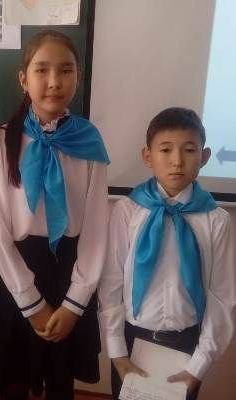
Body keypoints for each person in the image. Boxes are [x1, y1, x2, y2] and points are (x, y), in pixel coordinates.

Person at [0, 30, 109, 400]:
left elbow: (96, 229)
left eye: (66, 70)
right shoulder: (0, 139)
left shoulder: (89, 140)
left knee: (61, 385)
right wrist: (30, 302)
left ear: (78, 77)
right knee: (13, 383)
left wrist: (75, 302)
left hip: (70, 275)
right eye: (42, 69)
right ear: (23, 78)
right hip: (15, 274)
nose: (54, 81)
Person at [98, 107, 236, 400]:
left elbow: (222, 296)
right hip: (132, 339)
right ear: (148, 156)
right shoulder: (127, 211)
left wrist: (199, 365)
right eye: (165, 149)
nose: (177, 161)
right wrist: (117, 351)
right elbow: (111, 282)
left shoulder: (216, 220)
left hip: (188, 345)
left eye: (189, 150)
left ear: (205, 156)